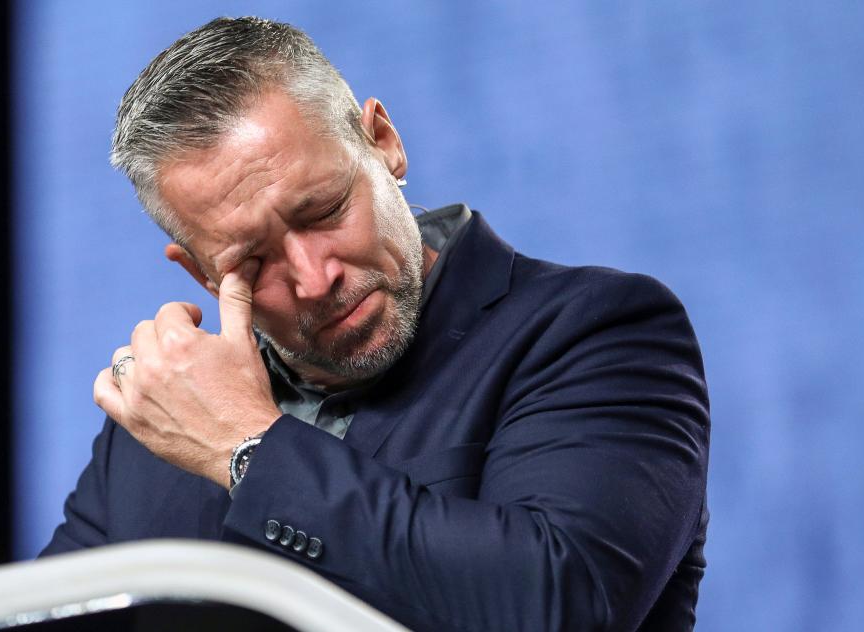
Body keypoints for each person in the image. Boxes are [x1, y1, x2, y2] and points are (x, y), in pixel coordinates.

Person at [42, 16, 710, 632]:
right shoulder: (161, 425)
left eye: (324, 210)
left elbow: (560, 602)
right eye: (252, 259)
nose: (314, 277)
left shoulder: (594, 330)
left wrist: (247, 445)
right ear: (201, 276)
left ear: (383, 143)